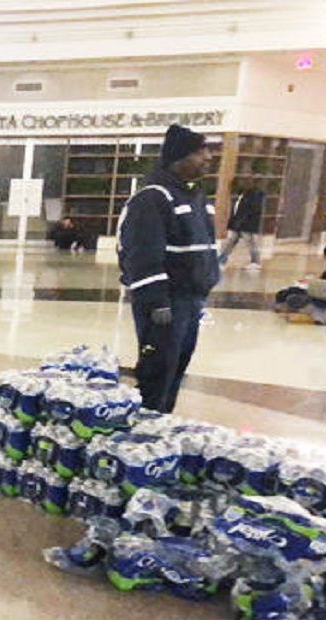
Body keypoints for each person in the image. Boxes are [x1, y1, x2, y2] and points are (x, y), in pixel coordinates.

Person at [118, 124, 220, 413]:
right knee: (158, 370)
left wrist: (208, 283)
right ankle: (147, 425)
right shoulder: (153, 198)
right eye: (201, 152)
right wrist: (156, 301)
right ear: (179, 157)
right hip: (165, 304)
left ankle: (163, 421)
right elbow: (141, 255)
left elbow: (205, 247)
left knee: (176, 368)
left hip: (190, 301)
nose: (208, 158)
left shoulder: (195, 196)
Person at [219, 181, 265, 269]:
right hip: (239, 225)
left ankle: (256, 262)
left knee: (251, 243)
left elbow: (246, 212)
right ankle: (221, 260)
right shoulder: (242, 197)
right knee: (231, 242)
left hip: (246, 226)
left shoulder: (251, 198)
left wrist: (238, 222)